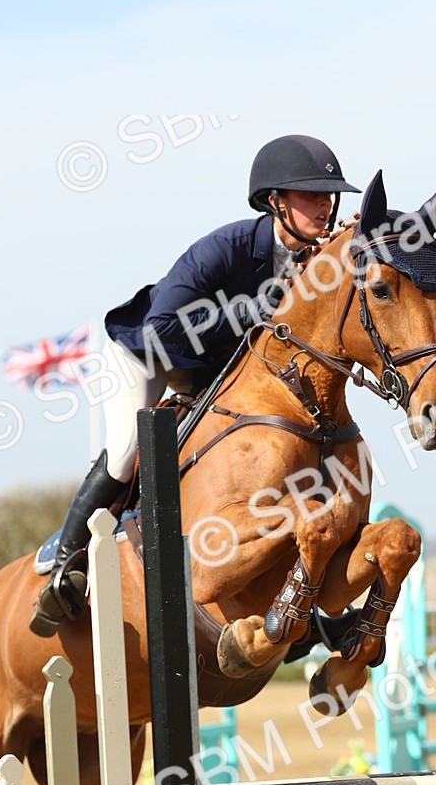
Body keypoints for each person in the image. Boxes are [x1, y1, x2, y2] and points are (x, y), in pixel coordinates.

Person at [30, 134, 360, 637]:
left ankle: (305, 614)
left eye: (329, 195)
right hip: (147, 354)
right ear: (275, 201)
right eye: (310, 194)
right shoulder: (223, 249)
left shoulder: (313, 261)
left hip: (216, 371)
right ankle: (64, 571)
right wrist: (243, 313)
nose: (325, 204)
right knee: (125, 452)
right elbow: (162, 328)